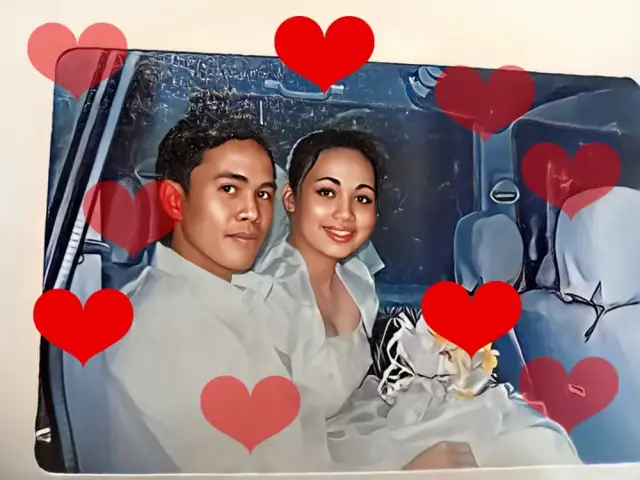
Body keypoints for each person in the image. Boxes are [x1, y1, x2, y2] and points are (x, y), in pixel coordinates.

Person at [255, 128, 583, 471]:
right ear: (290, 199)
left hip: (366, 421)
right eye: (327, 192)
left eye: (362, 198)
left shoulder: (356, 280)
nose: (345, 213)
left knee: (529, 438)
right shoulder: (266, 301)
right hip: (315, 458)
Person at [89, 114, 333, 474]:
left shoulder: (217, 296)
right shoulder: (171, 327)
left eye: (263, 194)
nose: (253, 213)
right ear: (174, 201)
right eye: (229, 189)